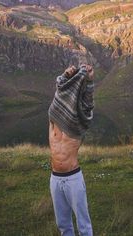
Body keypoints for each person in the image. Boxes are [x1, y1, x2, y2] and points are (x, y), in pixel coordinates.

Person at [48, 64, 94, 236]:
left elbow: (87, 108)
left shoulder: (77, 125)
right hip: (55, 178)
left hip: (73, 178)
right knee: (63, 225)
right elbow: (59, 88)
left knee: (84, 226)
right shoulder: (53, 116)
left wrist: (88, 81)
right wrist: (66, 75)